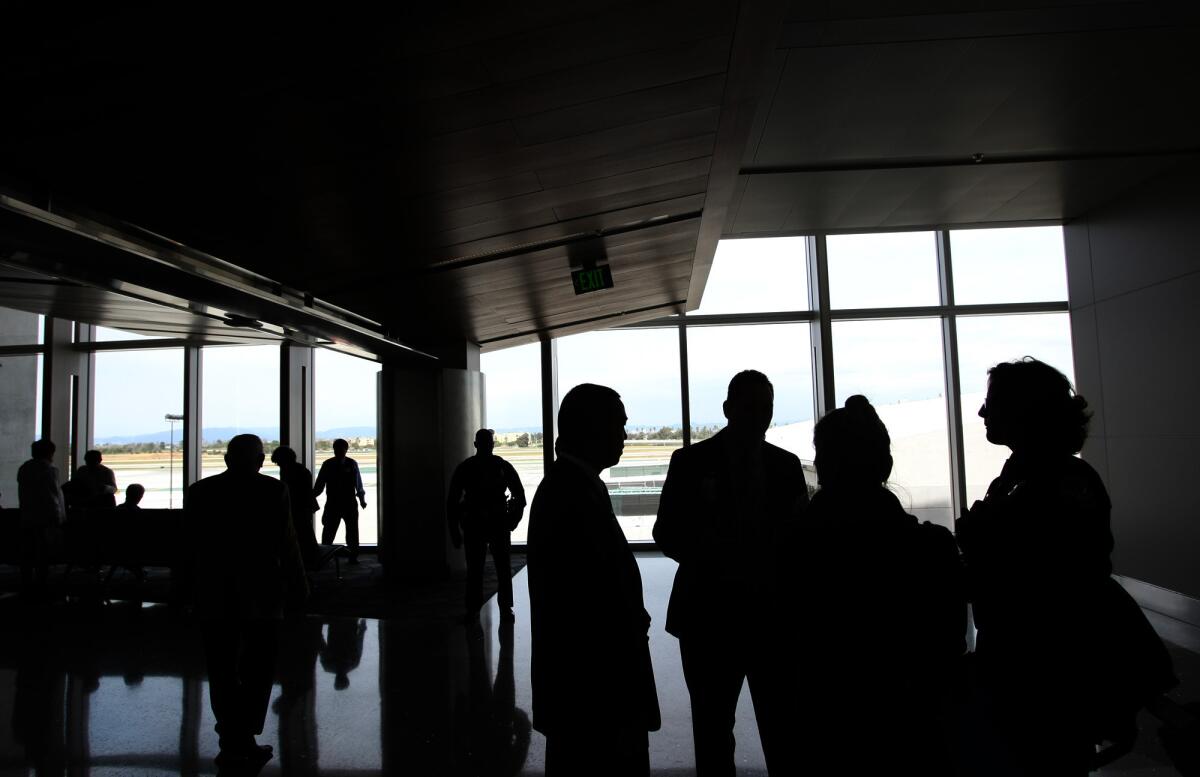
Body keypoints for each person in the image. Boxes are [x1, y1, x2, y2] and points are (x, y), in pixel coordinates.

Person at [957, 358, 1174, 775]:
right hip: (1036, 668)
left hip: (1044, 675)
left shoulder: (1045, 483)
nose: (983, 412)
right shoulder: (1047, 477)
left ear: (1025, 412)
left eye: (992, 403)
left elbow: (1046, 579)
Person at [785, 395, 964, 775]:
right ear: (884, 464)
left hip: (826, 722)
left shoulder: (796, 548)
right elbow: (949, 649)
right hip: (911, 724)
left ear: (825, 465)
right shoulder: (932, 549)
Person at [653, 369, 806, 776]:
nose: (759, 416)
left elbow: (668, 534)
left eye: (765, 408)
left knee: (728, 728)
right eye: (752, 407)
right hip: (734, 619)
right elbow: (665, 532)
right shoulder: (779, 466)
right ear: (728, 409)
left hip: (720, 616)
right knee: (745, 728)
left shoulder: (697, 462)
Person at [527, 383, 660, 776]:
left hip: (583, 692)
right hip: (595, 694)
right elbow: (584, 606)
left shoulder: (570, 486)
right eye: (617, 426)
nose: (624, 436)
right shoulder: (572, 493)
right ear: (590, 428)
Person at [185, 434, 308, 768]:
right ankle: (247, 734)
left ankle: (229, 735)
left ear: (226, 459)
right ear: (259, 461)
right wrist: (299, 585)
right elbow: (288, 542)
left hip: (213, 592)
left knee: (221, 667)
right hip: (262, 591)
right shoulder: (271, 491)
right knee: (259, 666)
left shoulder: (200, 492)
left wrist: (186, 589)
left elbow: (189, 546)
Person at [447, 429, 526, 618]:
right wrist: (512, 520)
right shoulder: (502, 466)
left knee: (475, 570)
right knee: (502, 568)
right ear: (492, 444)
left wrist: (455, 532)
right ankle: (505, 608)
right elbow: (520, 497)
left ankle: (473, 610)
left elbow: (452, 502)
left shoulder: (466, 467)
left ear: (476, 445)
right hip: (498, 523)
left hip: (475, 524)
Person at [17, 439, 66, 596]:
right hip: (46, 517)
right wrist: (59, 517)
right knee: (43, 553)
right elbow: (53, 496)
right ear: (50, 453)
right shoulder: (50, 470)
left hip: (27, 516)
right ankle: (41, 584)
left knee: (28, 552)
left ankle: (27, 583)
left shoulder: (24, 468)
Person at [313, 438, 367, 563]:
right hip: (347, 504)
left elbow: (319, 485)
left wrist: (312, 496)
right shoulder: (351, 463)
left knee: (331, 531)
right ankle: (352, 556)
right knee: (349, 531)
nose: (339, 451)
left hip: (335, 503)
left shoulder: (328, 464)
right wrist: (362, 499)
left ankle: (325, 556)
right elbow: (358, 485)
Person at [272, 446, 320, 569]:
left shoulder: (290, 471)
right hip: (303, 508)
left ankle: (307, 560)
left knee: (302, 533)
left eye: (279, 462)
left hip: (299, 508)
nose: (278, 465)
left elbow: (296, 493)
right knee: (305, 533)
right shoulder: (300, 470)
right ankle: (310, 559)